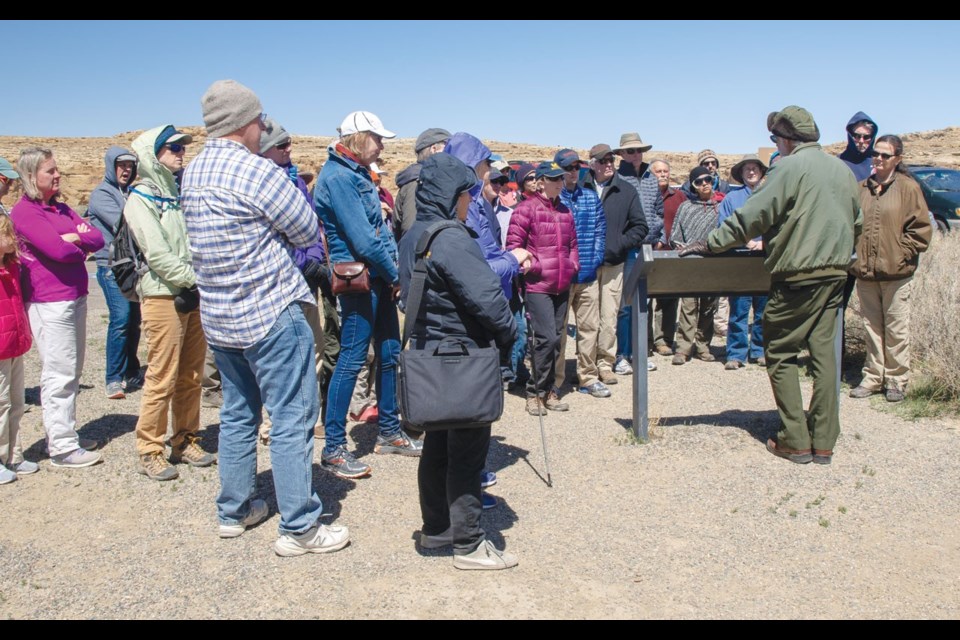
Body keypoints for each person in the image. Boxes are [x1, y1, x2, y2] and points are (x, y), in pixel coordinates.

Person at [182, 79, 349, 554]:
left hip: (221, 314)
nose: (263, 128)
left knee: (237, 414)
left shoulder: (192, 172)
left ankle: (235, 510)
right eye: (259, 120)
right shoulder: (257, 173)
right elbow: (302, 231)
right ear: (246, 122)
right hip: (269, 309)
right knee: (292, 417)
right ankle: (300, 526)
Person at [681, 105, 862, 466]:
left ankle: (794, 439)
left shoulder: (787, 167)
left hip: (797, 276)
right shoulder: (840, 170)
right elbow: (856, 222)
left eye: (776, 139)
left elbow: (753, 215)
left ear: (786, 138)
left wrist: (712, 243)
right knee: (825, 355)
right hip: (836, 274)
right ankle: (824, 439)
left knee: (779, 351)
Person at [398, 152, 518, 570]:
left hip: (431, 354)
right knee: (467, 451)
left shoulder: (415, 233)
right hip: (463, 356)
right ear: (452, 195)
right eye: (466, 193)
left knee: (438, 445)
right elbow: (489, 300)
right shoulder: (452, 237)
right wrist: (508, 334)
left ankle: (437, 530)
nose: (471, 201)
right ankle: (468, 544)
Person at [314, 110, 421, 480]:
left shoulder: (354, 173)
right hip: (362, 280)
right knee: (353, 357)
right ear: (359, 138)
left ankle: (389, 431)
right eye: (377, 138)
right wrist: (396, 274)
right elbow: (364, 239)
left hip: (377, 279)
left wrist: (390, 274)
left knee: (389, 352)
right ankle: (333, 447)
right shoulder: (341, 177)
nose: (382, 145)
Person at [124, 125, 214, 480]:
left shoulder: (176, 194)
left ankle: (185, 438)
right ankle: (149, 447)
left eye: (181, 147)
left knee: (191, 374)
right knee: (162, 375)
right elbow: (157, 254)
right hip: (163, 294)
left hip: (190, 293)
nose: (181, 152)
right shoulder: (141, 199)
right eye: (173, 147)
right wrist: (196, 278)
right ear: (152, 154)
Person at [10, 147, 104, 469]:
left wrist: (73, 240)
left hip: (74, 295)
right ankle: (62, 447)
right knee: (59, 371)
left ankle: (67, 434)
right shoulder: (25, 213)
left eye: (57, 169)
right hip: (49, 302)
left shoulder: (61, 208)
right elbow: (58, 251)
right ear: (32, 175)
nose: (57, 175)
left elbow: (97, 237)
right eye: (50, 171)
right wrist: (76, 243)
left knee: (73, 370)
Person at [258, 116, 329, 441]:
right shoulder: (257, 182)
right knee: (275, 354)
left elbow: (311, 226)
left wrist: (312, 260)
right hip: (273, 284)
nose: (289, 149)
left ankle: (309, 415)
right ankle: (272, 420)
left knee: (313, 346)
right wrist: (302, 258)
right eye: (281, 145)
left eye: (289, 143)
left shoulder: (296, 182)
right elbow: (271, 238)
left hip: (304, 282)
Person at [848, 135, 932, 403]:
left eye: (885, 155)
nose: (879, 159)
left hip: (897, 273)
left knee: (896, 328)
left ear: (897, 158)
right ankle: (873, 376)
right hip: (866, 272)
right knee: (872, 327)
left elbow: (920, 229)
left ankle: (896, 380)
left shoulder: (908, 188)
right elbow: (852, 225)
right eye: (876, 154)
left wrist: (902, 254)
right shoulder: (862, 188)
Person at [507, 162, 579, 415]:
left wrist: (572, 265)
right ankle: (534, 393)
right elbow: (514, 246)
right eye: (552, 178)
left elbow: (572, 244)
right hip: (538, 284)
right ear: (540, 182)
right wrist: (533, 266)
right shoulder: (525, 210)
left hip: (561, 283)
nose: (558, 182)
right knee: (544, 339)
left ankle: (550, 390)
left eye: (560, 178)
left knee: (557, 340)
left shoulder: (565, 211)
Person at [582, 144, 647, 386]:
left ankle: (605, 363)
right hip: (585, 266)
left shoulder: (626, 190)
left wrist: (620, 244)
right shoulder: (580, 189)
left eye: (611, 160)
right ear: (592, 164)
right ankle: (586, 366)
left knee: (609, 317)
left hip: (613, 264)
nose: (608, 164)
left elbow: (640, 226)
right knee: (587, 320)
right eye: (603, 161)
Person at [86, 146, 143, 399]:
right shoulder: (101, 195)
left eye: (130, 166)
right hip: (111, 267)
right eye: (122, 165)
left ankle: (131, 371)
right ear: (111, 166)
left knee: (133, 321)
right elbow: (125, 222)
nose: (127, 170)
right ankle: (113, 378)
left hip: (131, 267)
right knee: (120, 320)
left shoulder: (129, 192)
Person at [552, 149, 608, 398]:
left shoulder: (590, 197)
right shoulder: (553, 199)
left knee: (589, 328)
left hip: (587, 275)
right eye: (568, 167)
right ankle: (555, 380)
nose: (573, 171)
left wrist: (594, 259)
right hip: (562, 277)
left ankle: (588, 376)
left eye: (576, 167)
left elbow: (599, 230)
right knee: (559, 331)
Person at [614, 132, 661, 375]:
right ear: (621, 154)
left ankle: (638, 353)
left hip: (647, 247)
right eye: (630, 151)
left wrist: (657, 234)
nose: (635, 154)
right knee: (624, 304)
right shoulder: (618, 177)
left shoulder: (651, 177)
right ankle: (622, 354)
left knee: (642, 304)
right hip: (627, 248)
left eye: (639, 150)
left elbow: (658, 210)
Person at [1, 178, 38, 484]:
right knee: (0, 403)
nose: (13, 238)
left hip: (13, 341)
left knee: (16, 401)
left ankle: (14, 454)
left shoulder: (11, 269)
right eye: (7, 234)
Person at [718, 154, 769, 370]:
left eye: (754, 168)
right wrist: (745, 240)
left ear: (760, 172)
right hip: (740, 258)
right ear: (741, 173)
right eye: (747, 169)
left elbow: (779, 224)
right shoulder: (731, 198)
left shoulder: (770, 196)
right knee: (739, 308)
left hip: (765, 259)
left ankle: (759, 350)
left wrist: (764, 243)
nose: (751, 172)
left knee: (763, 309)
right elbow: (724, 226)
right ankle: (736, 353)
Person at [670, 166, 720, 365]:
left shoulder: (720, 206)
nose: (704, 184)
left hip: (713, 263)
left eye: (707, 179)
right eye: (698, 182)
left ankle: (703, 346)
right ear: (693, 186)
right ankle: (683, 348)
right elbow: (675, 235)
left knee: (709, 307)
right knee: (688, 306)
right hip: (690, 263)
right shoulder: (686, 207)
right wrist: (685, 247)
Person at [650, 159, 686, 357]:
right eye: (658, 171)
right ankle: (645, 340)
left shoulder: (679, 196)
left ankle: (663, 340)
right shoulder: (644, 194)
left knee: (669, 300)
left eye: (665, 171)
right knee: (643, 300)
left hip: (672, 253)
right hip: (649, 252)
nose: (663, 174)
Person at [394, 128, 450, 241]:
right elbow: (412, 231)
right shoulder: (418, 182)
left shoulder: (429, 179)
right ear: (434, 149)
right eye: (448, 149)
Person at [838, 112, 879, 181]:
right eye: (857, 136)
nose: (861, 141)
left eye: (866, 137)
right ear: (850, 135)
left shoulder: (879, 163)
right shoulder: (838, 163)